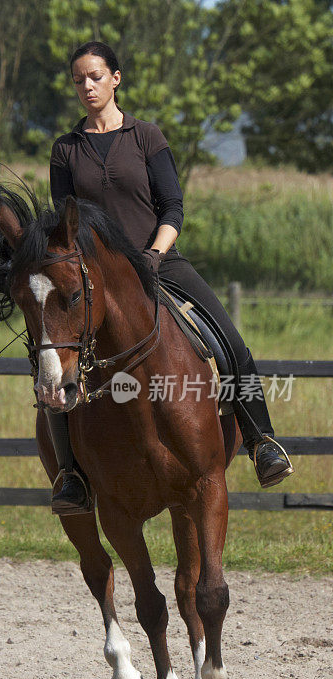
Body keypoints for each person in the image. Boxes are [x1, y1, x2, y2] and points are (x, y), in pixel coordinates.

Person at [46, 40, 293, 515]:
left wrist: (154, 255)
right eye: (78, 79)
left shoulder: (147, 137)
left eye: (95, 76)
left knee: (231, 343)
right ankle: (72, 475)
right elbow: (65, 222)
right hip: (95, 273)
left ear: (116, 78)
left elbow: (172, 208)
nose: (87, 86)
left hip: (160, 259)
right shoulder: (65, 150)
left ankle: (262, 442)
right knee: (54, 362)